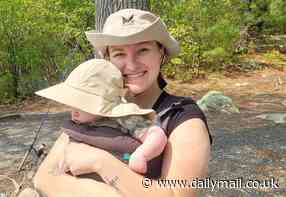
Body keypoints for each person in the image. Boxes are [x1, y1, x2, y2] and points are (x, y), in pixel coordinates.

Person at [34, 9, 212, 197]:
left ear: (161, 53)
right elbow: (44, 177)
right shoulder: (96, 106)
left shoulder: (183, 118)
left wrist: (100, 162)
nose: (132, 64)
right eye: (119, 54)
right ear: (108, 59)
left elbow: (176, 194)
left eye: (143, 50)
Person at [35, 58, 168, 175]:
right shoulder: (79, 123)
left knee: (127, 156)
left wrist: (142, 155)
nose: (74, 113)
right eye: (72, 106)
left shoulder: (123, 118)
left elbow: (156, 134)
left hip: (125, 160)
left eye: (81, 106)